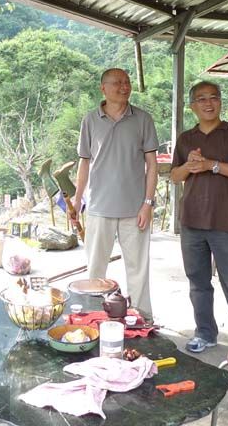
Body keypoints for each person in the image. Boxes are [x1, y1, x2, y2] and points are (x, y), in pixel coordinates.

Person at [170, 81, 228, 352]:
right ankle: (205, 334)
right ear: (192, 106)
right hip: (191, 221)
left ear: (220, 102)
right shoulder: (186, 139)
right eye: (201, 99)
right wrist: (190, 165)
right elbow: (175, 176)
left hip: (223, 221)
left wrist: (211, 165)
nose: (208, 103)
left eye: (213, 97)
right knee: (198, 283)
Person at [73, 68, 159, 318]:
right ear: (103, 88)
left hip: (135, 209)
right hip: (99, 207)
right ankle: (93, 317)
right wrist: (77, 200)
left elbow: (152, 164)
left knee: (138, 270)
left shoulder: (143, 119)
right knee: (95, 270)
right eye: (117, 83)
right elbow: (84, 162)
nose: (124, 87)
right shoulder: (90, 120)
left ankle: (142, 318)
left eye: (127, 82)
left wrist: (148, 203)